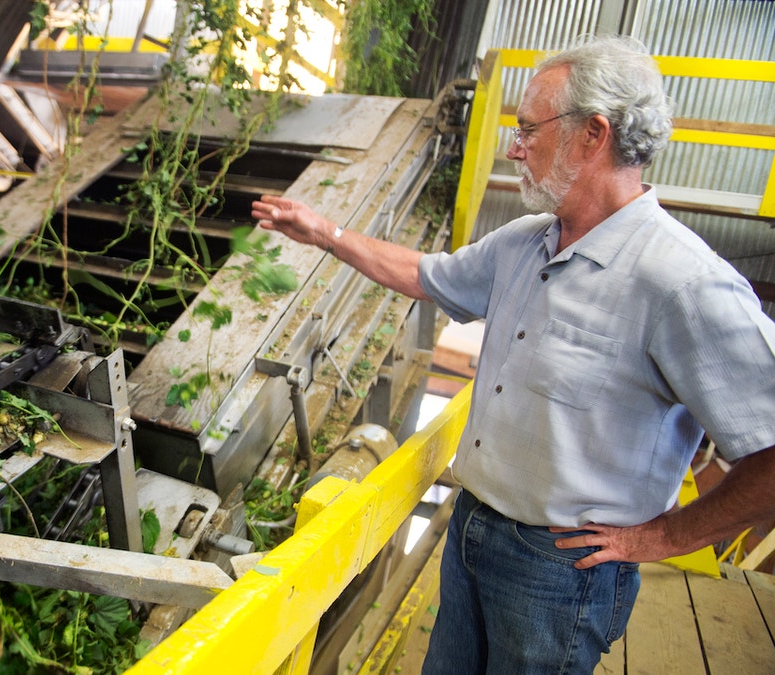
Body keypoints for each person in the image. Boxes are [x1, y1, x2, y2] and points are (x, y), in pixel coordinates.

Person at [251, 35, 775, 674]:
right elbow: (424, 274)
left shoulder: (683, 283)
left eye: (528, 129)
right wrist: (324, 234)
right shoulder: (525, 242)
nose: (513, 147)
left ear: (593, 134)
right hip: (472, 530)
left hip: (560, 571)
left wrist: (661, 538)